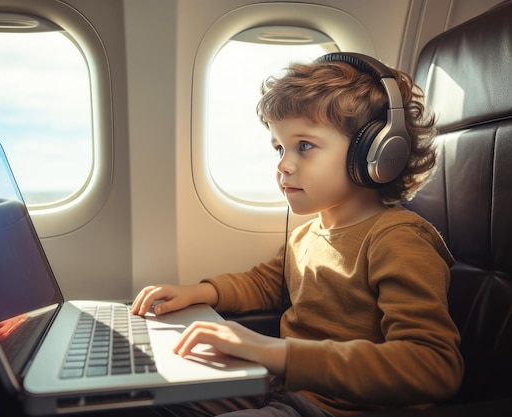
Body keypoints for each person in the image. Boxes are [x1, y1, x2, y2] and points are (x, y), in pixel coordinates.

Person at [129, 53, 464, 417]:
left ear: (377, 154)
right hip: (281, 385)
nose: (283, 165)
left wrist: (275, 352)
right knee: (143, 396)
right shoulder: (307, 235)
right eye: (279, 148)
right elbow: (265, 284)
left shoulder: (398, 240)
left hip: (336, 407)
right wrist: (196, 292)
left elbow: (432, 365)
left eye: (304, 146)